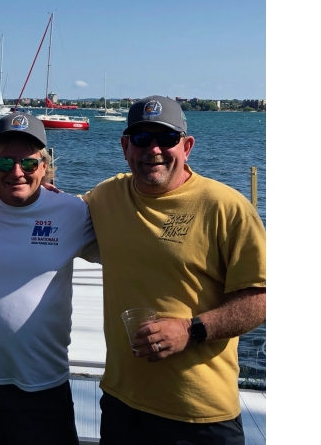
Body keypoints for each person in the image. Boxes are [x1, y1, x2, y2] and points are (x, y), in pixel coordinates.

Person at [81, 95, 266, 444]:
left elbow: (260, 299)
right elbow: (42, 206)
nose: (153, 149)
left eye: (166, 138)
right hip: (123, 406)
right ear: (125, 146)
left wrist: (190, 329)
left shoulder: (227, 207)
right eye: (141, 138)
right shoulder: (106, 197)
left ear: (187, 146)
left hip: (200, 414)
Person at [0, 112, 98, 445]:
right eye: (5, 162)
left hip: (44, 386)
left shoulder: (72, 211)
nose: (16, 173)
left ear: (44, 165)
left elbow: (129, 246)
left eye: (28, 164)